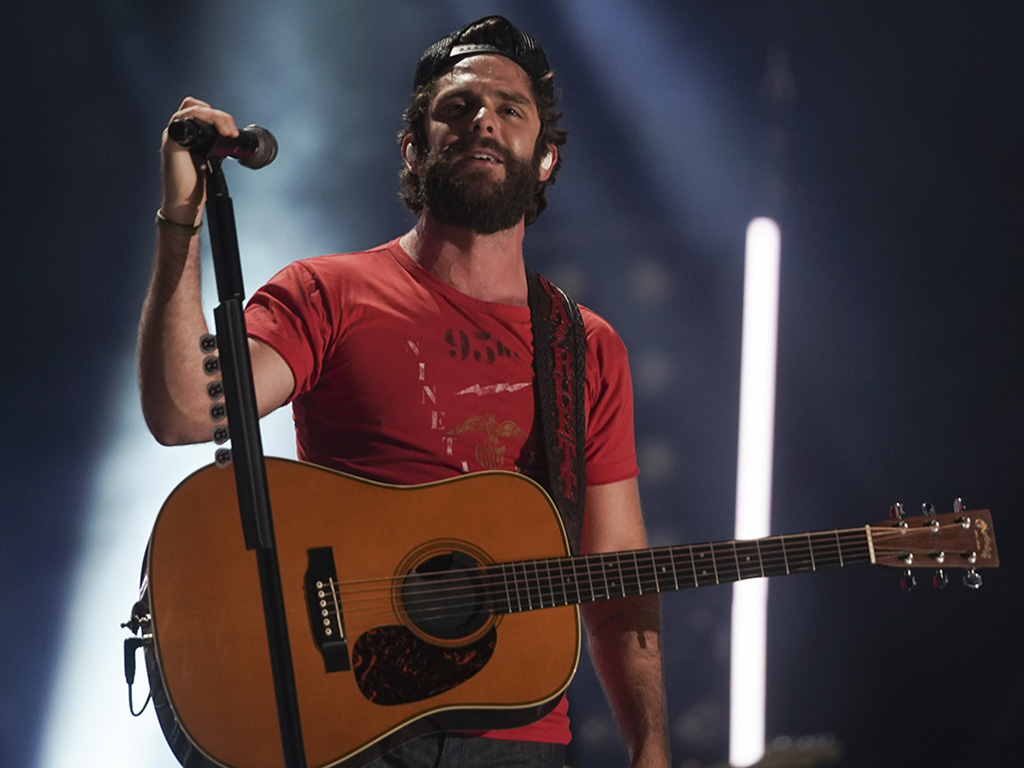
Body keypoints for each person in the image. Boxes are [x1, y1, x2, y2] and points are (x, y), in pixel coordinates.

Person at [138, 15, 670, 768]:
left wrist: (651, 749)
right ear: (413, 149)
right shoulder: (328, 293)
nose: (482, 117)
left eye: (509, 109)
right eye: (456, 106)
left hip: (515, 729)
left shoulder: (586, 347)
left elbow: (617, 574)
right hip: (346, 715)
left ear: (544, 159)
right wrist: (180, 218)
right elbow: (185, 409)